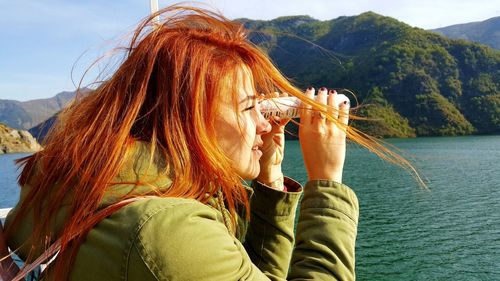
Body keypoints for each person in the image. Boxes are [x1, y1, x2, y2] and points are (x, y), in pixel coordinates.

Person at [3, 5, 360, 280]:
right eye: (251, 107)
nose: (265, 123)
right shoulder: (164, 230)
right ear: (191, 117)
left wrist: (270, 179)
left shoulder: (79, 178)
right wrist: (326, 182)